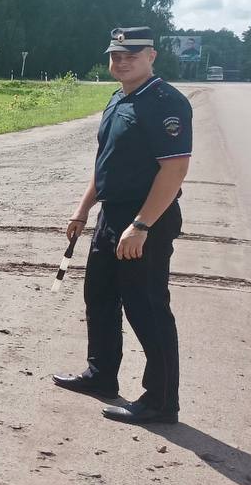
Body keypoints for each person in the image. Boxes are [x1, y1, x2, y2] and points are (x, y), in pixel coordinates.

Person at [54, 27, 192, 425]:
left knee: (146, 307)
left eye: (130, 54)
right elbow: (105, 162)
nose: (121, 61)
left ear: (151, 56)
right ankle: (101, 374)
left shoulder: (166, 102)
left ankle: (161, 401)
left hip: (147, 218)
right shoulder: (118, 99)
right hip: (111, 215)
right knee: (98, 295)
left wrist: (143, 224)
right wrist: (82, 211)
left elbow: (175, 169)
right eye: (115, 55)